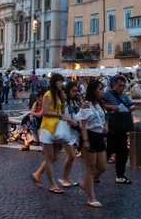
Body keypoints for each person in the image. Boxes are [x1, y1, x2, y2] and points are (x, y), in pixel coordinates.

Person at [76, 79, 108, 208]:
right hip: (90, 135)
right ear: (93, 90)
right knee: (91, 168)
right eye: (99, 89)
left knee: (103, 167)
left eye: (102, 89)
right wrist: (85, 141)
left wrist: (106, 126)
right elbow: (83, 125)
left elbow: (105, 118)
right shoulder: (86, 104)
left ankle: (86, 185)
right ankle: (91, 197)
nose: (101, 92)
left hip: (99, 136)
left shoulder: (100, 104)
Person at [31, 73, 65, 194]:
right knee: (49, 158)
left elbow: (61, 111)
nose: (62, 84)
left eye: (62, 82)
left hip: (56, 129)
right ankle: (52, 184)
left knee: (54, 157)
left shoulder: (58, 95)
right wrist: (57, 114)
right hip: (47, 129)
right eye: (60, 82)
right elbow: (45, 112)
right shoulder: (48, 94)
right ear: (54, 82)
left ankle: (37, 173)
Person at [103, 75, 135, 185]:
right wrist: (111, 107)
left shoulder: (125, 96)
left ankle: (120, 176)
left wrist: (131, 108)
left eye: (123, 86)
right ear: (114, 84)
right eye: (120, 85)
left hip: (122, 127)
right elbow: (100, 104)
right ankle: (95, 172)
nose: (122, 88)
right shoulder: (106, 94)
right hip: (112, 127)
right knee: (109, 150)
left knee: (123, 152)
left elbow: (131, 105)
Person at [58, 81, 81, 187]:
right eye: (73, 91)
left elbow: (83, 112)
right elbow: (60, 114)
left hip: (75, 131)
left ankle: (67, 177)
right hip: (67, 130)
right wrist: (70, 121)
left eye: (76, 91)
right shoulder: (64, 101)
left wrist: (80, 99)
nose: (75, 93)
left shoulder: (76, 101)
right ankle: (63, 177)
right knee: (71, 156)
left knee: (71, 157)